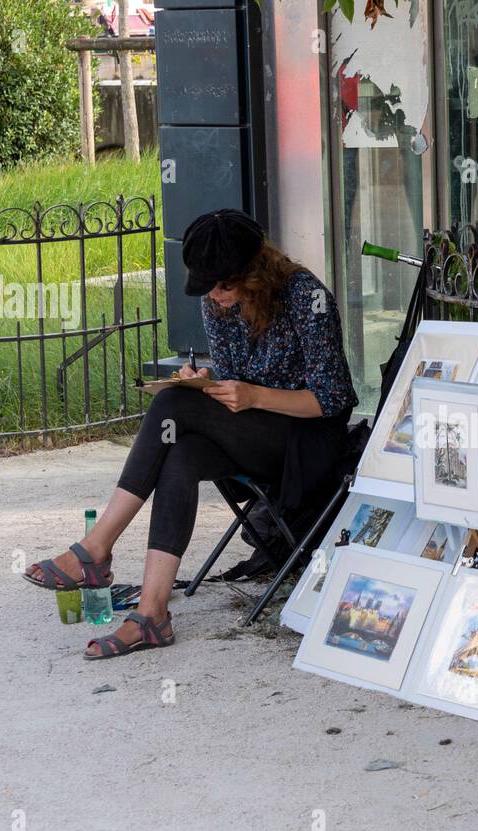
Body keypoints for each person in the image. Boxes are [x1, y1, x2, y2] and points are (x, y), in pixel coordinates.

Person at [23, 210, 358, 659]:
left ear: (253, 272)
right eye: (208, 287)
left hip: (308, 442)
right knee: (179, 448)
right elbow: (236, 383)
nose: (215, 296)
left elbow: (333, 399)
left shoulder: (306, 297)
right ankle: (152, 613)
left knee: (171, 405)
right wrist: (204, 382)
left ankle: (96, 548)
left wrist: (253, 396)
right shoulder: (215, 304)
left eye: (223, 285)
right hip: (253, 433)